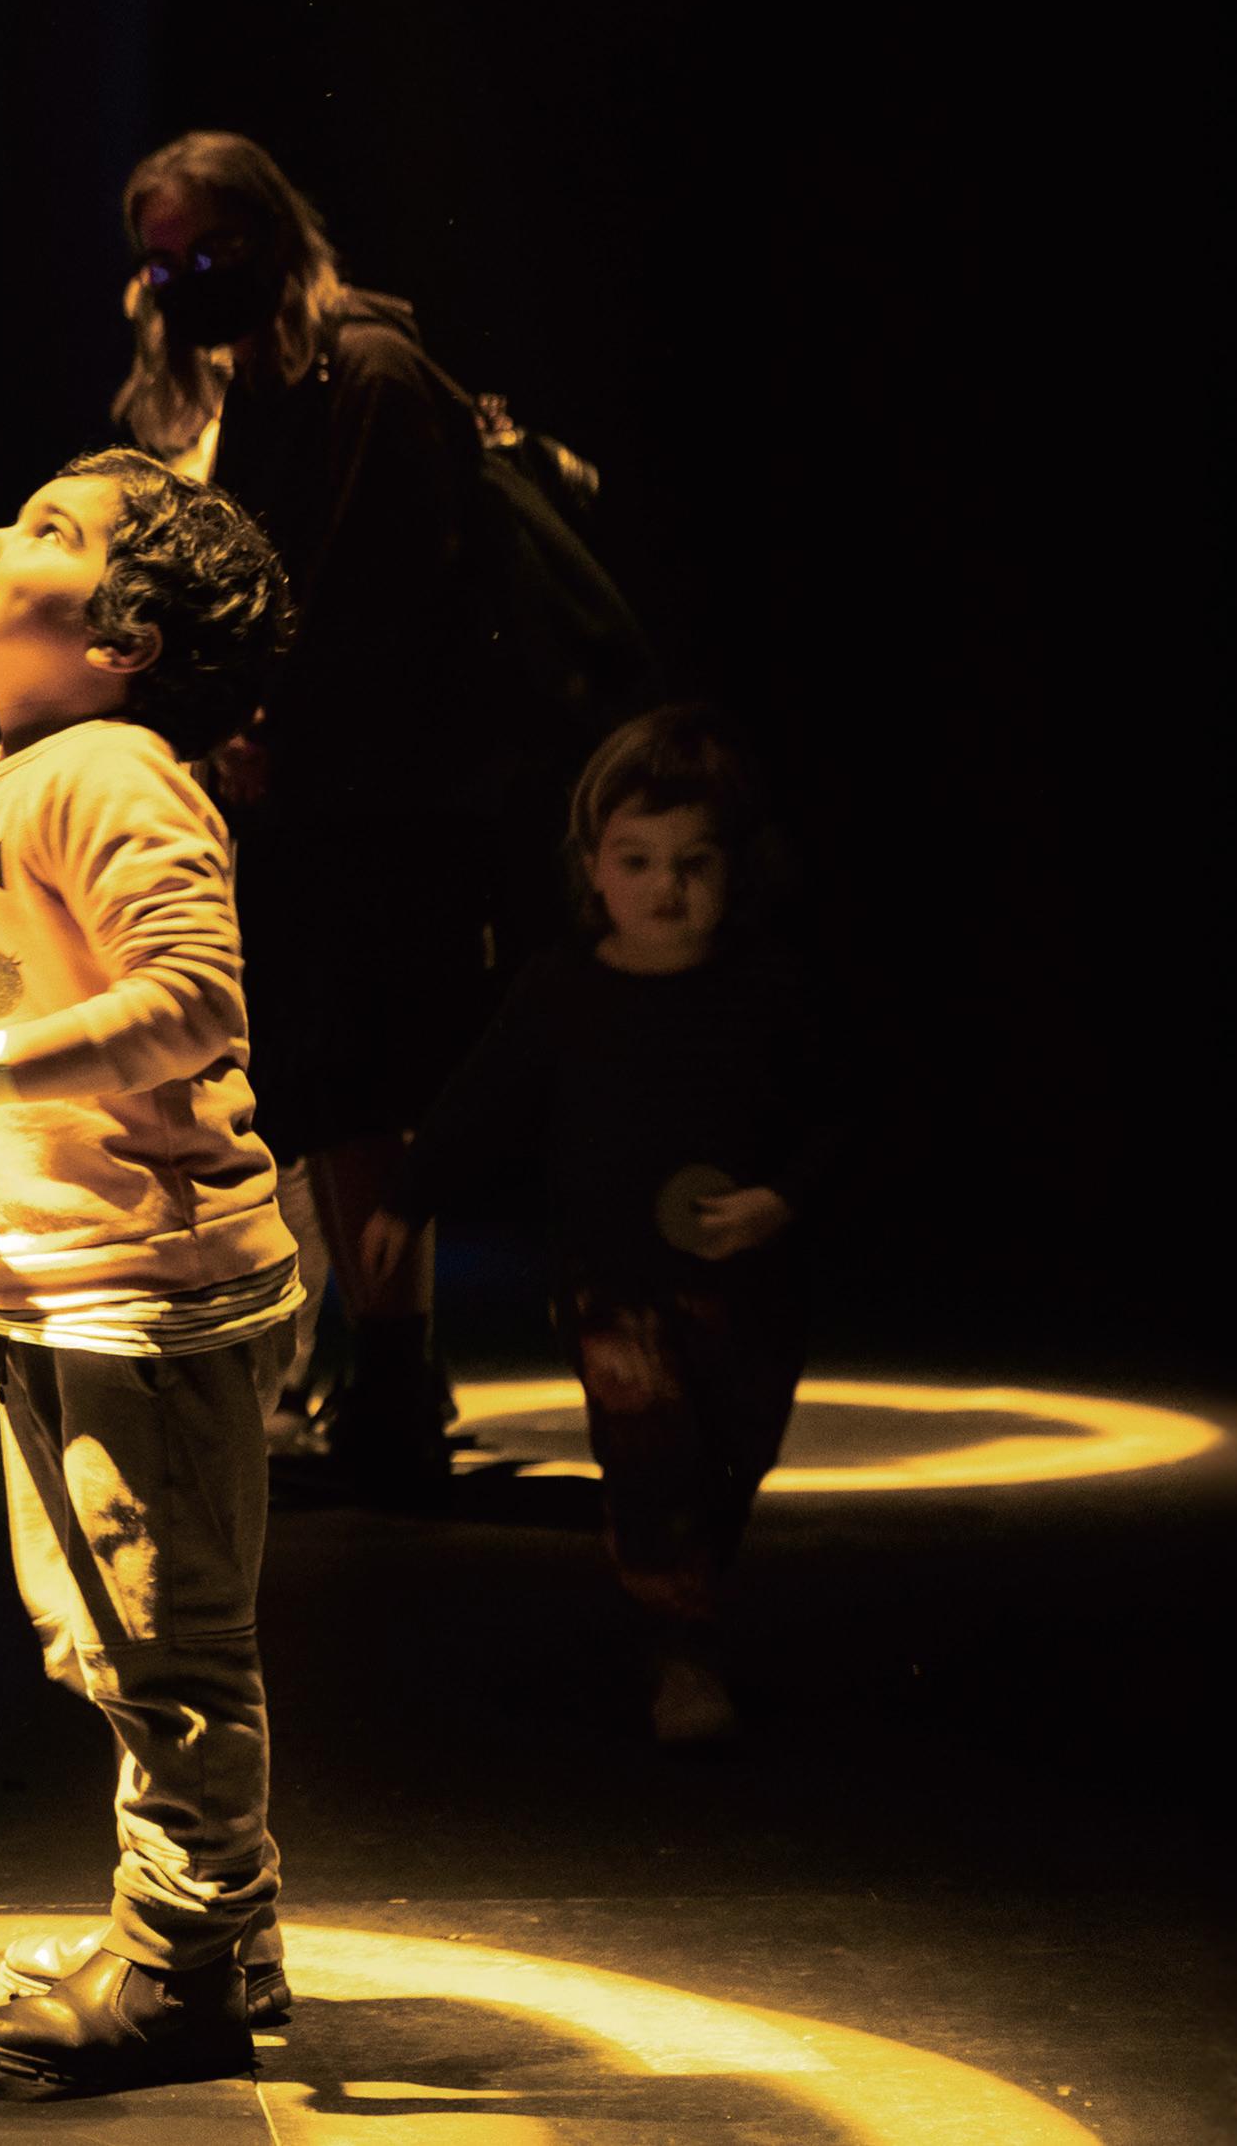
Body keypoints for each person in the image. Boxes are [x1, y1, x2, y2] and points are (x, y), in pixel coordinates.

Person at [0, 447, 300, 2096]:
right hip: (54, 1279)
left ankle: (180, 1968)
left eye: (47, 530)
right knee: (96, 1625)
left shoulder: (119, 772)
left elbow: (193, 999)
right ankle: (218, 1932)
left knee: (160, 1638)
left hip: (153, 1282)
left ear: (124, 636)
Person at [115, 130, 498, 1499]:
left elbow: (388, 604)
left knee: (369, 1086)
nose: (184, 284)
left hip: (380, 805)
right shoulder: (258, 383)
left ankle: (395, 1372)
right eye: (161, 264)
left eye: (209, 252)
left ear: (273, 234)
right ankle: (380, 1369)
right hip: (299, 798)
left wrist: (277, 730)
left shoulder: (363, 371)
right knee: (334, 1094)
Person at [364, 705, 843, 1745]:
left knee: (732, 1454)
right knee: (647, 1455)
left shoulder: (767, 988)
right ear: (592, 868)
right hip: (610, 1282)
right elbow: (480, 1097)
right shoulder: (561, 990)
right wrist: (406, 1195)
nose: (666, 887)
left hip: (750, 1290)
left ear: (736, 866)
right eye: (637, 861)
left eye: (693, 863)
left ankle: (679, 1602)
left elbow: (836, 1116)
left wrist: (782, 1200)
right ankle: (680, 1650)